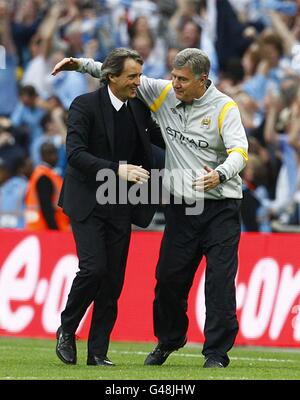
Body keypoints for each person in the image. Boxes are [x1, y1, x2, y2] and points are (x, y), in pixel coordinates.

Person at [52, 47, 248, 368]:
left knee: (219, 282)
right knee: (168, 281)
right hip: (181, 208)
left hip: (220, 206)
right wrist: (80, 64)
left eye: (182, 79)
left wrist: (221, 173)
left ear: (203, 81)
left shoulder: (225, 108)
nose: (175, 84)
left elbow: (240, 150)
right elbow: (115, 72)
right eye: (172, 76)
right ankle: (169, 339)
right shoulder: (164, 93)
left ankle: (216, 353)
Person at [55, 48, 164, 367]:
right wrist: (116, 169)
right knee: (94, 268)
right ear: (111, 76)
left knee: (113, 280)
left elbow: (161, 146)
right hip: (88, 201)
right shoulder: (84, 106)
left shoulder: (140, 110)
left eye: (140, 76)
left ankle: (97, 352)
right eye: (132, 76)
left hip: (121, 204)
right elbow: (75, 154)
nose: (138, 82)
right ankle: (67, 328)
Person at [25, 142, 70, 231]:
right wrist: (54, 229)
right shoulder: (44, 177)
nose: (56, 157)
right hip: (44, 229)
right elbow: (46, 207)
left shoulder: (43, 174)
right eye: (52, 153)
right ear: (44, 156)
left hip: (38, 227)